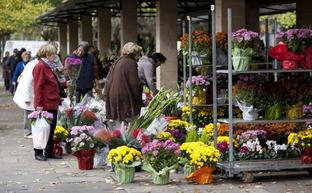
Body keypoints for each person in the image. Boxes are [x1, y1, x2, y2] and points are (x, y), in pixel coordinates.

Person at [32, 43, 61, 161]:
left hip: (52, 102)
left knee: (51, 128)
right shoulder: (40, 66)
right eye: (53, 53)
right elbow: (38, 86)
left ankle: (49, 151)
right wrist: (38, 104)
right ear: (47, 54)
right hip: (45, 103)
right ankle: (38, 151)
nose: (55, 56)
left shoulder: (48, 65)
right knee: (41, 129)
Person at [105, 42, 143, 122]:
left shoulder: (118, 61)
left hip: (113, 94)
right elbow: (135, 84)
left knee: (119, 123)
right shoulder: (131, 63)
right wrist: (139, 100)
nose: (138, 56)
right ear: (134, 53)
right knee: (129, 123)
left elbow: (108, 79)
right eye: (138, 54)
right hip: (124, 96)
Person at [13, 55, 39, 138]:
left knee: (29, 113)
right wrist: (27, 97)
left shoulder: (31, 64)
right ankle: (28, 132)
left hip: (29, 92)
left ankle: (30, 131)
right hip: (27, 93)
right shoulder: (34, 65)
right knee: (28, 113)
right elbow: (27, 82)